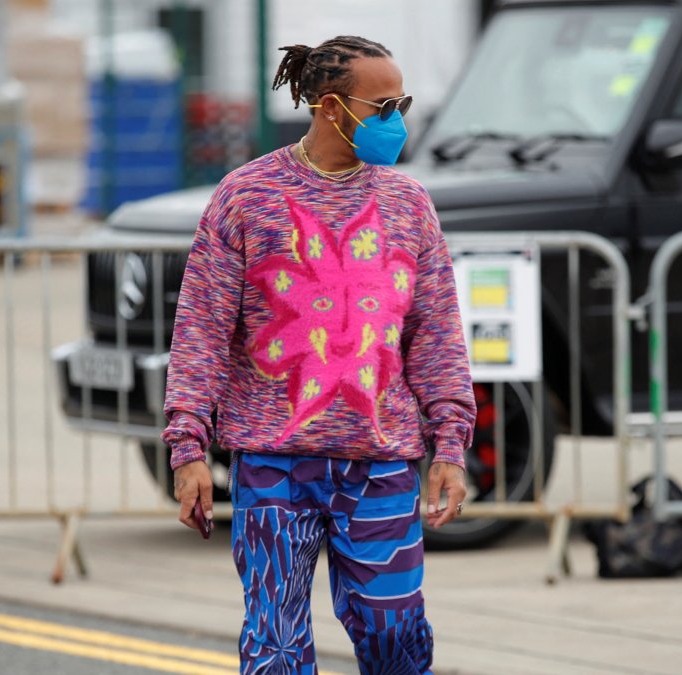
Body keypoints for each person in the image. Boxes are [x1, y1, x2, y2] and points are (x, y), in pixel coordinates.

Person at [161, 35, 475, 674]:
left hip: (381, 461)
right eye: (384, 106)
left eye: (402, 104)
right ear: (331, 107)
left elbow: (436, 332)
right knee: (275, 641)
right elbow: (201, 330)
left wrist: (450, 445)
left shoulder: (408, 204)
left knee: (397, 635)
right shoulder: (246, 196)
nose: (397, 120)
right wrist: (187, 446)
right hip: (275, 463)